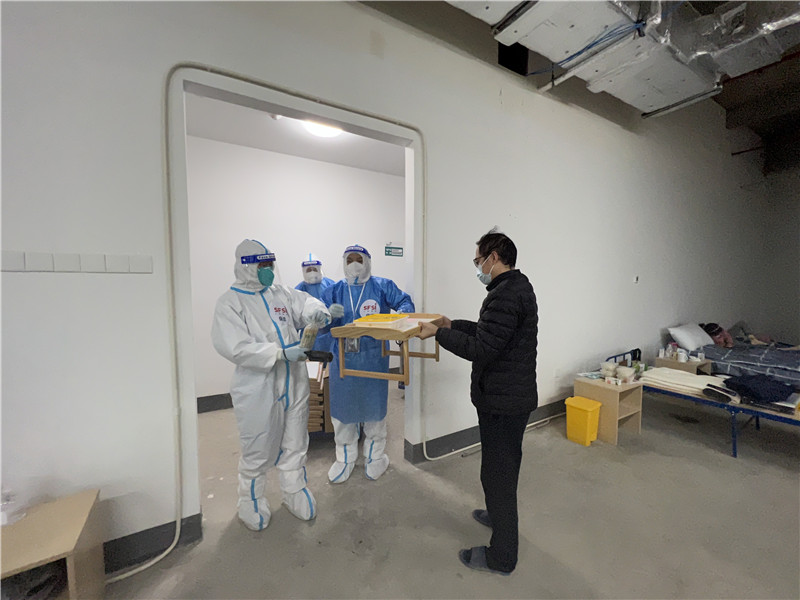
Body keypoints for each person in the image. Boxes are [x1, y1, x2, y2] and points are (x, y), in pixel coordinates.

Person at [416, 229, 538, 576]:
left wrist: (439, 334)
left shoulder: (506, 295)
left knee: (498, 476)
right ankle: (496, 516)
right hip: (506, 399)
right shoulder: (513, 288)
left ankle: (502, 557)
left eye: (478, 261)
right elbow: (490, 334)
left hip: (504, 403)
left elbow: (481, 349)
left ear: (493, 258)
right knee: (499, 470)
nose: (478, 268)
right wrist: (452, 324)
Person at [211, 239, 331, 531]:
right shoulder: (231, 302)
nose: (267, 270)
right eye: (261, 265)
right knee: (258, 442)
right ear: (246, 267)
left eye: (269, 264)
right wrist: (278, 354)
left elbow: (306, 303)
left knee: (296, 438)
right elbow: (234, 346)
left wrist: (318, 312)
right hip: (258, 385)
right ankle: (250, 498)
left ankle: (294, 489)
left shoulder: (280, 293)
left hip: (295, 379)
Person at [320, 244, 415, 483]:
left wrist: (399, 317)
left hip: (373, 359)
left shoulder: (382, 286)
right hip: (343, 359)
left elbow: (405, 303)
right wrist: (327, 315)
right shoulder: (334, 291)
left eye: (359, 259)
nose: (354, 264)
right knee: (344, 412)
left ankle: (375, 456)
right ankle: (344, 458)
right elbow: (317, 322)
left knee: (374, 411)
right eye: (349, 259)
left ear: (367, 262)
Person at [295, 253, 336, 353]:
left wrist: (332, 314)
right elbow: (294, 317)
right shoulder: (298, 290)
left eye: (314, 269)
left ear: (319, 269)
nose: (312, 272)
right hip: (309, 336)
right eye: (308, 270)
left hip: (330, 335)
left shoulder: (331, 285)